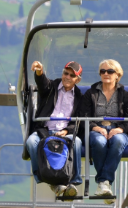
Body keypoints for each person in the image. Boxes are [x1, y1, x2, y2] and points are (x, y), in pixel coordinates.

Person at [25, 60, 84, 197]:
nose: (67, 77)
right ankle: (42, 175)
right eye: (66, 73)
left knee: (77, 143)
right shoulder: (52, 87)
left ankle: (73, 181)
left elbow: (79, 119)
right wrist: (39, 71)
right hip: (44, 131)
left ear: (77, 80)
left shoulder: (79, 97)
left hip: (64, 133)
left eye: (72, 75)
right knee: (31, 142)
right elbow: (42, 83)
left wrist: (67, 131)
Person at [80, 59, 128, 201]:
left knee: (117, 142)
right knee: (99, 142)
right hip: (96, 128)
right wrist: (96, 127)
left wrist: (120, 129)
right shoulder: (91, 93)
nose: (106, 74)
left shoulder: (125, 95)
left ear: (118, 75)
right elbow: (83, 116)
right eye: (102, 71)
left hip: (118, 129)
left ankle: (103, 182)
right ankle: (105, 183)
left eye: (110, 71)